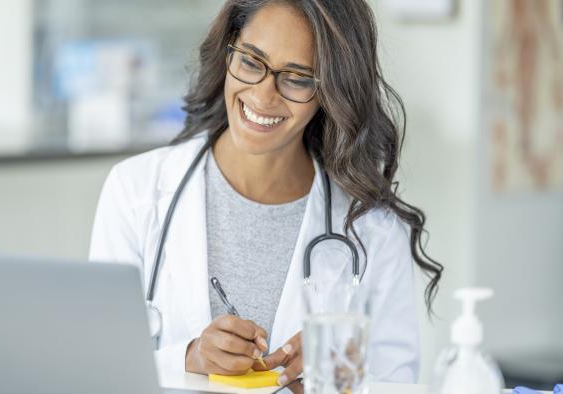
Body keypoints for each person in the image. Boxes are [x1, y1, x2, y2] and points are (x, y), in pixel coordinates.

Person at [89, 0, 442, 386]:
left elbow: (398, 383)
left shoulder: (372, 227)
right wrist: (189, 358)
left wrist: (337, 375)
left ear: (331, 91)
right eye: (251, 62)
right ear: (229, 50)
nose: (263, 95)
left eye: (297, 78)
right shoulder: (136, 189)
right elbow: (97, 365)